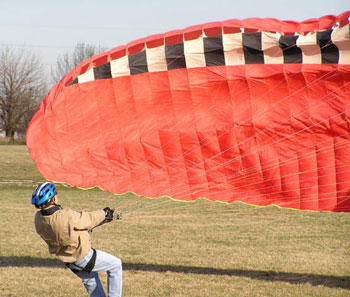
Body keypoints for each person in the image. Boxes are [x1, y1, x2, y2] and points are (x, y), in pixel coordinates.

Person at [31, 182, 122, 297]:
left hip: (68, 260)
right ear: (53, 199)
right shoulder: (66, 215)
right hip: (83, 257)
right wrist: (104, 213)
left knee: (90, 279)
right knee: (115, 265)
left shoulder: (38, 219)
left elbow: (64, 231)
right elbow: (88, 219)